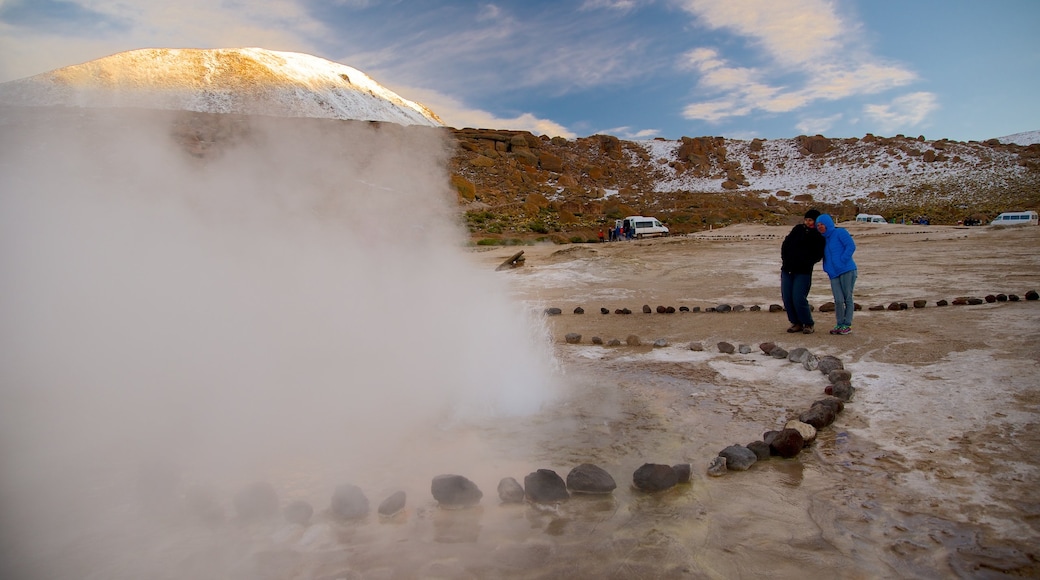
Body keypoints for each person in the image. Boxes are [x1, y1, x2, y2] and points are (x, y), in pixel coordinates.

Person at [780, 209, 825, 334]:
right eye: (806, 219)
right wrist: (786, 259)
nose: (808, 222)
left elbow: (818, 254)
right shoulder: (798, 229)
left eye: (810, 220)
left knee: (798, 297)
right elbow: (786, 244)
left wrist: (807, 262)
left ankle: (808, 323)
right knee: (787, 297)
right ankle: (796, 322)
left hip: (803, 271)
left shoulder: (818, 235)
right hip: (787, 269)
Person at [815, 214, 858, 335]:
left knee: (847, 297)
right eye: (818, 225)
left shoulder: (840, 232)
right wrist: (827, 268)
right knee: (838, 300)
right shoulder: (823, 239)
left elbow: (850, 246)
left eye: (822, 224)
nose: (820, 227)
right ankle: (839, 323)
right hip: (833, 273)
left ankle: (847, 324)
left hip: (847, 270)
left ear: (827, 224)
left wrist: (843, 260)